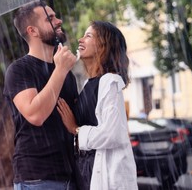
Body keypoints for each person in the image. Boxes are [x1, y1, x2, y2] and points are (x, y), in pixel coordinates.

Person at [3, 0, 79, 190]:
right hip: (37, 178)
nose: (58, 21)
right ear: (33, 31)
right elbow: (35, 115)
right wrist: (60, 70)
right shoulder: (19, 70)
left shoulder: (66, 73)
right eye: (50, 18)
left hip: (70, 175)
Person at [57, 20, 138, 190]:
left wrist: (76, 130)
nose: (80, 39)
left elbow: (113, 133)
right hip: (85, 171)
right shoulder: (89, 84)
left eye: (88, 36)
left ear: (104, 45)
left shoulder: (110, 81)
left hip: (101, 173)